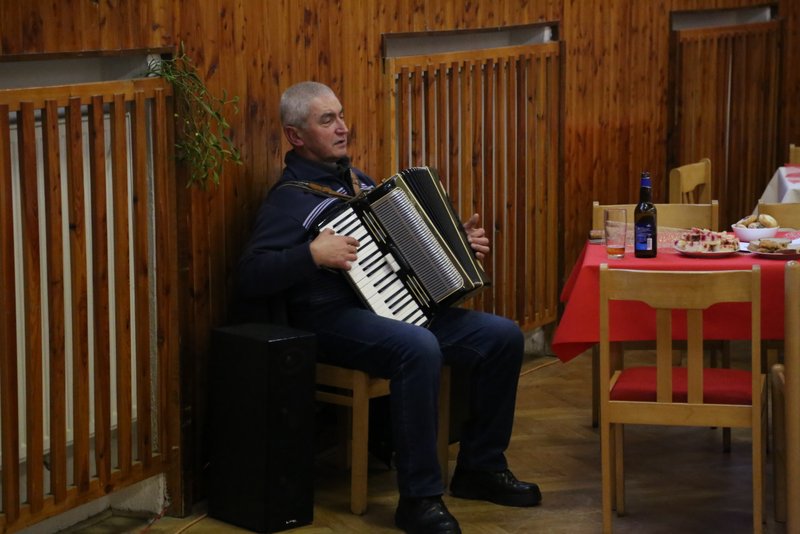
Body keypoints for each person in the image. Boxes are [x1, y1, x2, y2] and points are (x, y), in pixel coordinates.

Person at [237, 81, 541, 534]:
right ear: (295, 135)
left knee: (501, 336)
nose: (342, 128)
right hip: (328, 319)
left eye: (340, 116)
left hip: (388, 310)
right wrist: (311, 255)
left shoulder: (360, 183)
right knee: (417, 347)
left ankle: (480, 469)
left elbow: (402, 255)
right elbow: (249, 275)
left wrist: (458, 244)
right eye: (327, 120)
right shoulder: (289, 201)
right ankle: (418, 499)